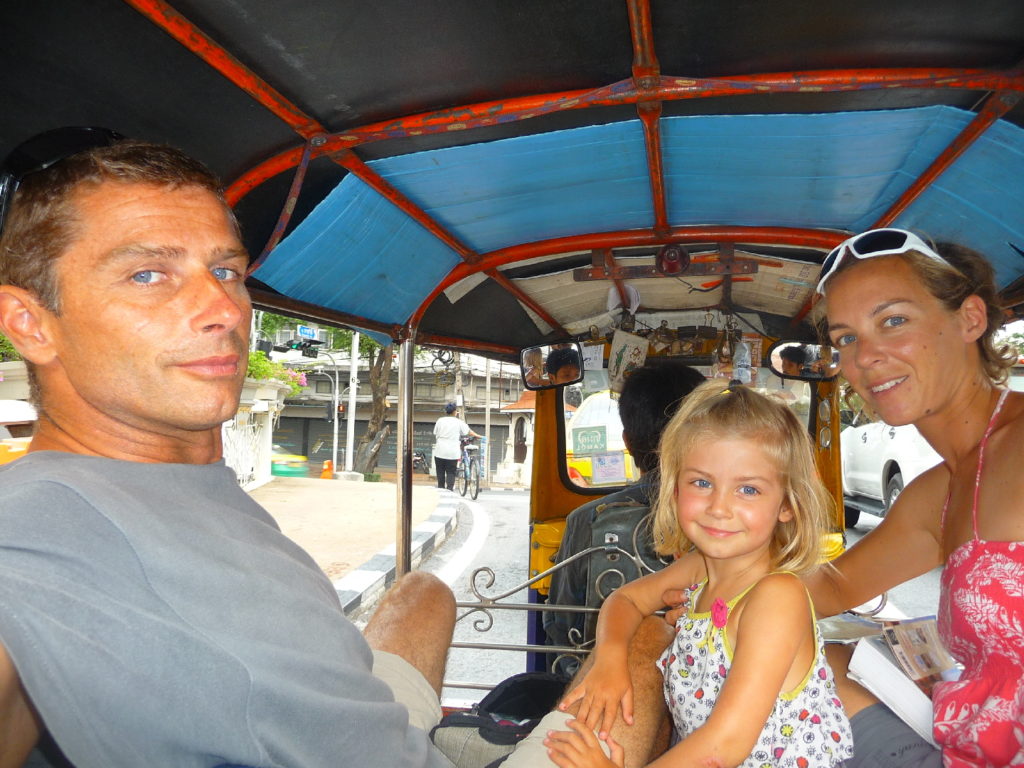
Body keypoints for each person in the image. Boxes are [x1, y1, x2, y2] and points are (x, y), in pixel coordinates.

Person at [0, 131, 668, 768]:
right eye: (148, 275)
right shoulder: (38, 527)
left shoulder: (182, 480)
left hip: (359, 719)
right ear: (29, 324)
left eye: (226, 270)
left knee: (423, 592)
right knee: (651, 640)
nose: (224, 309)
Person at [544, 381, 854, 768]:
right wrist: (610, 657)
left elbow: (725, 743)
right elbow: (626, 599)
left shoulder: (777, 596)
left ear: (787, 505)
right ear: (675, 489)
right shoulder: (700, 567)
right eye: (702, 483)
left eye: (748, 490)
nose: (719, 507)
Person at [802, 228, 1024, 767]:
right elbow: (831, 586)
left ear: (970, 319)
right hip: (962, 744)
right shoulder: (940, 491)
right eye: (845, 338)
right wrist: (697, 592)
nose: (865, 357)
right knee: (802, 657)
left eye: (893, 321)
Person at [545, 361, 705, 673]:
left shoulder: (585, 520)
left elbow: (561, 624)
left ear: (628, 442)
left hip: (603, 678)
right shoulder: (728, 522)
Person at [433, 401, 481, 491]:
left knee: (440, 473)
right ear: (455, 412)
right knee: (451, 473)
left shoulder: (440, 421)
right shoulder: (459, 422)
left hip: (440, 451)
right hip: (452, 452)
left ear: (446, 411)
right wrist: (478, 436)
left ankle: (441, 490)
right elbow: (468, 432)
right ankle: (449, 491)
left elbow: (435, 433)